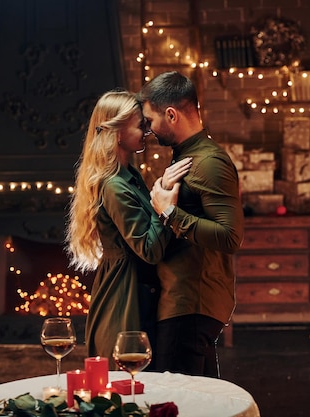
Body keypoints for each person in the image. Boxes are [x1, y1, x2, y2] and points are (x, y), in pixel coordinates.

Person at [65, 89, 191, 366]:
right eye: (140, 125)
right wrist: (164, 206)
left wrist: (163, 191)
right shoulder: (114, 186)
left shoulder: (129, 175)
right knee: (128, 380)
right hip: (125, 295)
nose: (147, 130)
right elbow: (149, 249)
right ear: (117, 132)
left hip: (137, 285)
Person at [138, 71, 244, 377]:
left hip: (190, 303)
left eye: (150, 120)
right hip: (183, 300)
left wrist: (170, 213)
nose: (148, 130)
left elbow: (230, 237)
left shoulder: (209, 162)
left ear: (170, 115)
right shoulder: (186, 157)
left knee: (176, 404)